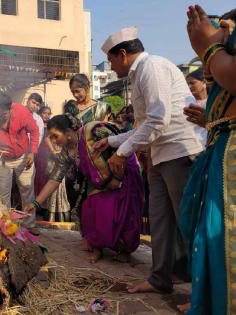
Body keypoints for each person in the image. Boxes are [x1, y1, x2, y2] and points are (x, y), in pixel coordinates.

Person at [95, 26, 204, 294]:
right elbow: (144, 125)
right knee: (159, 221)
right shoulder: (140, 73)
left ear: (122, 54)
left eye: (110, 60)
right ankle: (159, 279)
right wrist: (110, 142)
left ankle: (204, 292)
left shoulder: (151, 67)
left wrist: (122, 152)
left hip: (179, 152)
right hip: (160, 156)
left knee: (188, 224)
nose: (110, 67)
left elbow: (158, 119)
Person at [179, 6, 236, 314]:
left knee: (222, 244)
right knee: (207, 240)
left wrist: (209, 47)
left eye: (227, 30)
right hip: (219, 158)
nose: (221, 35)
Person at [25, 114, 143, 262]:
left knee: (124, 214)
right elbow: (54, 180)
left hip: (123, 171)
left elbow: (122, 145)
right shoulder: (67, 153)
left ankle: (124, 249)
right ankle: (97, 248)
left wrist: (117, 178)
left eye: (56, 136)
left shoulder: (92, 131)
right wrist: (35, 204)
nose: (54, 141)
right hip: (99, 180)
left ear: (68, 132)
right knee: (91, 210)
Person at [0, 92, 40, 231]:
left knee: (27, 191)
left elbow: (34, 131)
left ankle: (30, 224)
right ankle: (6, 225)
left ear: (10, 109)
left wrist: (32, 152)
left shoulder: (22, 112)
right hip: (1, 160)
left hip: (23, 157)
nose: (0, 115)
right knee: (2, 195)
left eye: (4, 112)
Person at [34, 106, 70, 222]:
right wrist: (54, 152)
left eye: (49, 113)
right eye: (45, 113)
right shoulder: (53, 129)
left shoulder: (73, 135)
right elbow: (47, 139)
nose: (54, 140)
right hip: (53, 161)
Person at [185, 67, 208, 146]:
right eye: (187, 84)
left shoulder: (213, 102)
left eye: (192, 83)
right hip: (194, 146)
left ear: (204, 82)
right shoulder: (187, 103)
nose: (189, 87)